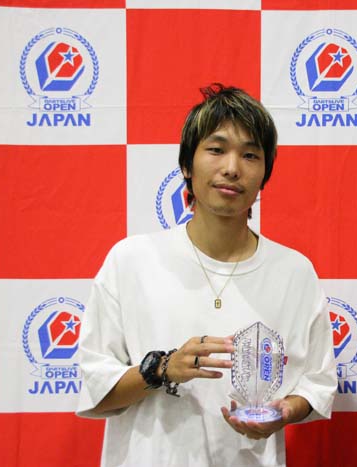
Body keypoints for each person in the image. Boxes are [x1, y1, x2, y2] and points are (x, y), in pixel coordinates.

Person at [76, 84, 337, 466]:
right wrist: (162, 369)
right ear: (187, 165)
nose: (232, 168)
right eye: (216, 150)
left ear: (264, 174)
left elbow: (318, 384)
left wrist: (285, 412)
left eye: (250, 155)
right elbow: (97, 389)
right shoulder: (131, 260)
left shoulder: (294, 272)